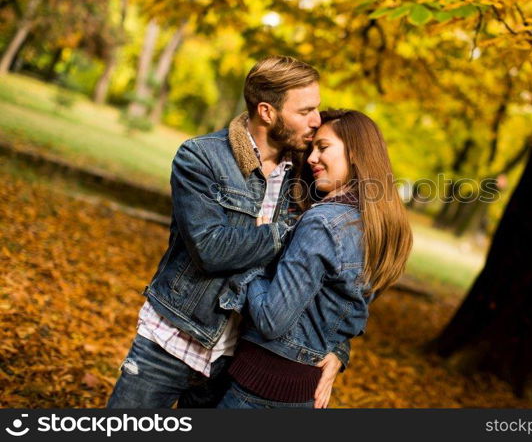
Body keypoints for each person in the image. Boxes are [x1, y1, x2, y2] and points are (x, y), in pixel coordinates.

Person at [107, 56, 349, 408]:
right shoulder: (202, 157)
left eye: (318, 109)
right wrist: (284, 234)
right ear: (267, 111)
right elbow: (211, 250)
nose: (316, 121)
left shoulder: (307, 172)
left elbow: (338, 266)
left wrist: (338, 346)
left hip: (239, 359)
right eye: (305, 111)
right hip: (171, 340)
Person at [217, 109, 413, 409]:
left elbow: (271, 319)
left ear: (356, 153)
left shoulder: (323, 222)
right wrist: (338, 351)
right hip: (304, 394)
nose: (311, 158)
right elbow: (350, 311)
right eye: (311, 148)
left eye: (323, 147)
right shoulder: (380, 226)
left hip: (262, 389)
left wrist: (254, 256)